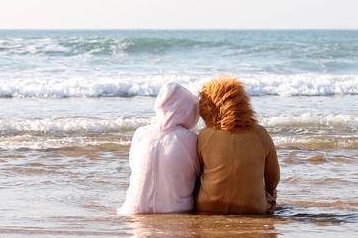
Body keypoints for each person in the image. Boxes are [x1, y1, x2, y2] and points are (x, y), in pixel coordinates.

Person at [195, 77, 280, 214]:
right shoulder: (261, 134)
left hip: (208, 206)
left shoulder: (204, 136)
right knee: (271, 198)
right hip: (254, 208)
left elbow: (196, 175)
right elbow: (273, 179)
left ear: (208, 108)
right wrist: (268, 192)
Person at [118, 81, 200, 215]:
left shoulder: (141, 133)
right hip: (176, 212)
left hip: (133, 211)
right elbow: (199, 174)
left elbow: (133, 165)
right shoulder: (191, 139)